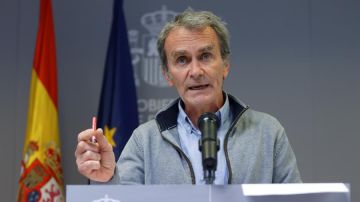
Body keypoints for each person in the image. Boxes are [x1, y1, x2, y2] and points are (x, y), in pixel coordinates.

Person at [75, 9, 302, 185]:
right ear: (167, 74)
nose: (195, 71)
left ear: (225, 65)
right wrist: (108, 179)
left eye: (205, 56)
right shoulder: (145, 140)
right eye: (182, 60)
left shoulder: (268, 132)